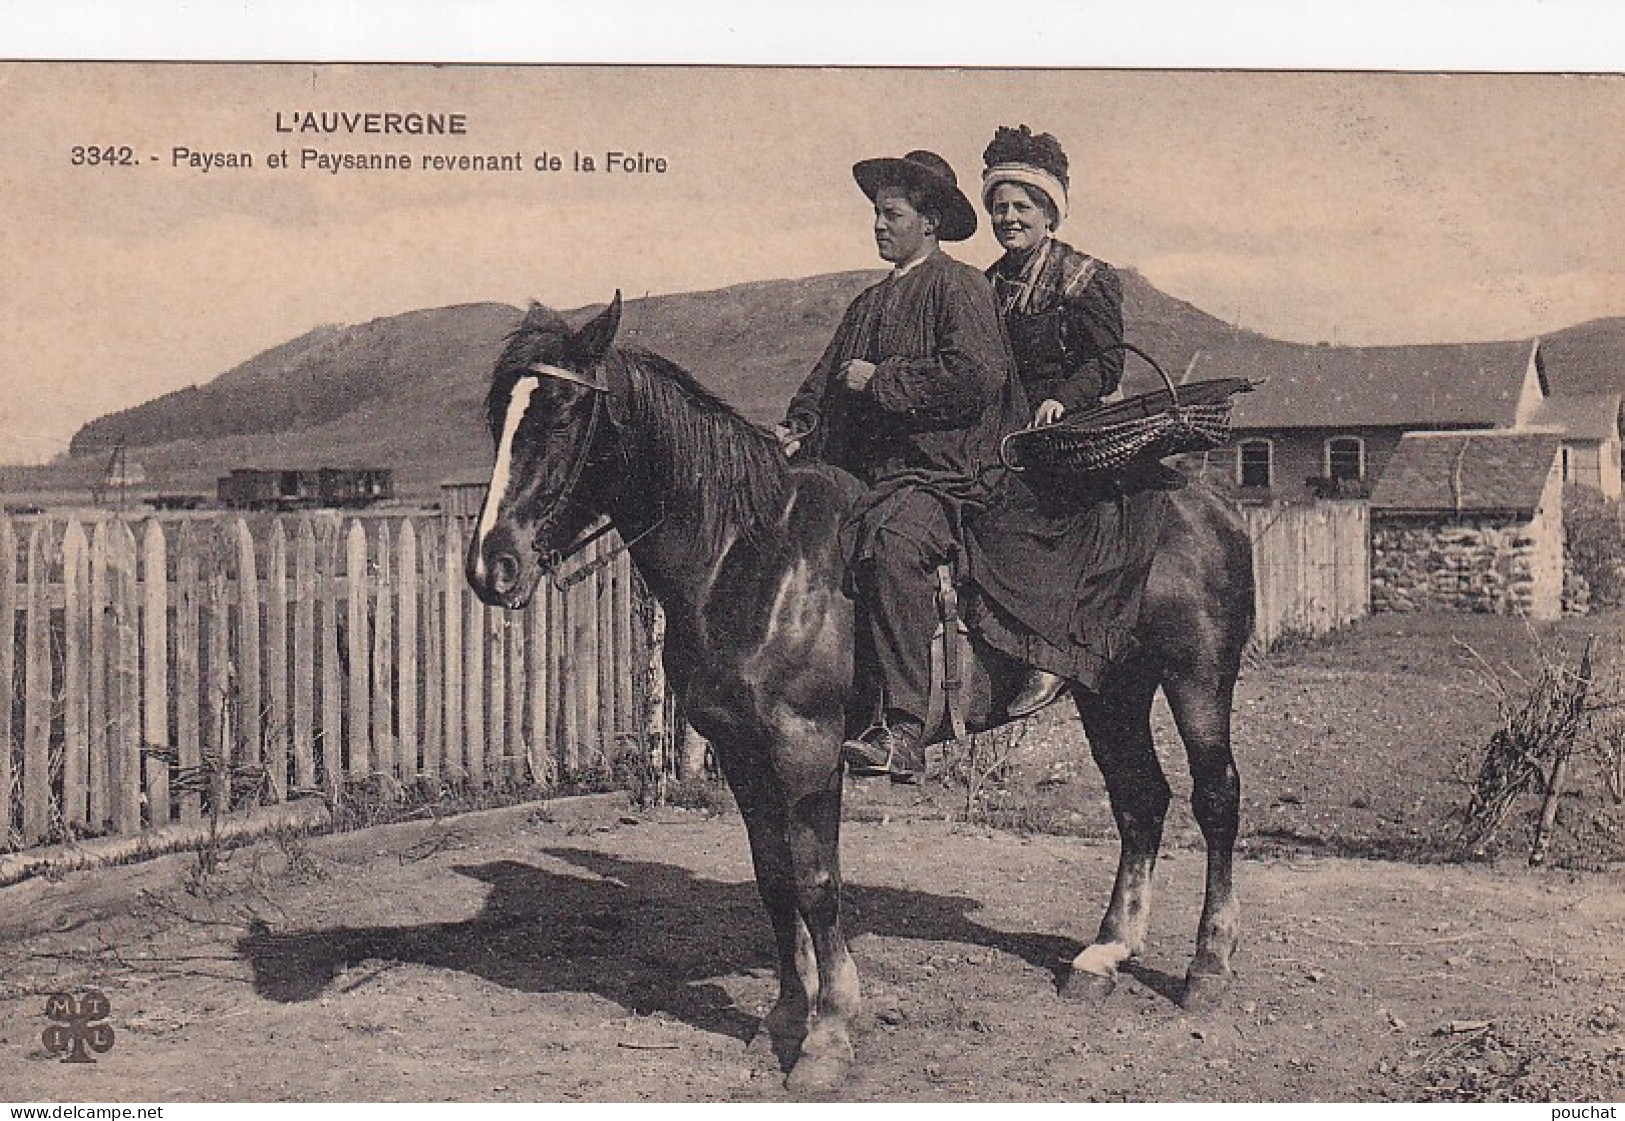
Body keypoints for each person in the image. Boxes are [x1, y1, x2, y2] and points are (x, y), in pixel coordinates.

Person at [780, 149, 1025, 782]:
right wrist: (796, 427)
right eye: (875, 214)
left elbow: (976, 377)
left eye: (891, 214)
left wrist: (883, 381)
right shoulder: (867, 304)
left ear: (930, 221)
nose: (878, 225)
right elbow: (825, 384)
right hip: (876, 477)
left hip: (948, 474)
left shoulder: (960, 287)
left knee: (893, 546)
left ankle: (904, 729)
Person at [965, 125, 1161, 717]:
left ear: (1049, 214)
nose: (1009, 218)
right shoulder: (986, 285)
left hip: (1067, 422)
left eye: (1022, 206)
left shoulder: (1087, 277)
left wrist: (1065, 400)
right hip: (1006, 427)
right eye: (999, 207)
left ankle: (1052, 653)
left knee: (1043, 518)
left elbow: (1107, 360)